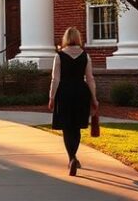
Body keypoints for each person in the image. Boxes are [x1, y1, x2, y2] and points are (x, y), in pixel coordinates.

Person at [48, 26, 99, 176]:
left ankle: (71, 158)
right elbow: (90, 79)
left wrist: (51, 97)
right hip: (81, 92)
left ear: (65, 38)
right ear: (78, 38)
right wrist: (94, 98)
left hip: (64, 92)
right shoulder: (86, 56)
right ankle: (73, 158)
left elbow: (55, 79)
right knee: (76, 127)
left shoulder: (59, 56)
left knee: (66, 127)